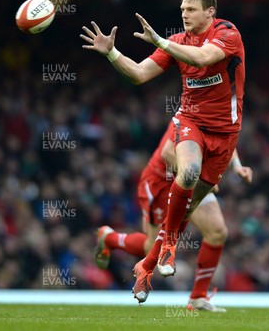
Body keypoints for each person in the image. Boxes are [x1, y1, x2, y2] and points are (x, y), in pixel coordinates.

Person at [80, 0, 246, 304]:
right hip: (188, 126)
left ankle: (157, 271)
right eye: (182, 9)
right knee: (189, 172)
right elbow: (139, 74)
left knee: (200, 223)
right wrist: (112, 53)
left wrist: (160, 42)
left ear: (210, 12)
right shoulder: (176, 43)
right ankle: (163, 247)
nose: (184, 13)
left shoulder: (227, 33)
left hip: (225, 135)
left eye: (191, 9)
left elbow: (202, 58)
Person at [94, 122, 252, 311]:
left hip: (193, 181)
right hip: (162, 182)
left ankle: (198, 297)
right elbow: (168, 153)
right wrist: (199, 174)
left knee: (217, 231)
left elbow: (226, 139)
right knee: (152, 247)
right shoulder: (190, 114)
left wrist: (236, 166)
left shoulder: (222, 112)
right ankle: (110, 238)